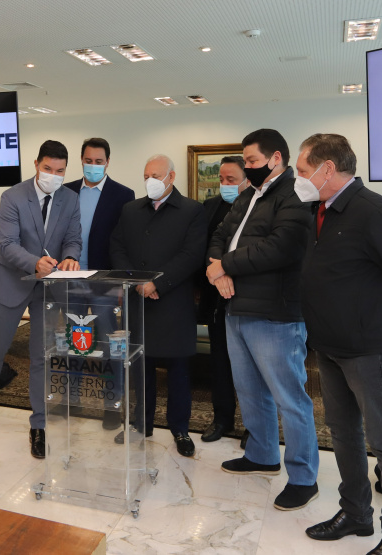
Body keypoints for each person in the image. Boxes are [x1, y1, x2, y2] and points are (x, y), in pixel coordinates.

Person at [298, 134, 382, 555]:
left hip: (370, 350)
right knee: (343, 434)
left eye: (303, 171)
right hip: (330, 345)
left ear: (328, 170)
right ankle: (355, 514)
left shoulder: (374, 212)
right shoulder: (319, 209)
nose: (298, 179)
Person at [205, 128, 319, 510]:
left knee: (290, 397)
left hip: (275, 313)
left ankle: (303, 477)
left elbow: (281, 247)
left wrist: (225, 265)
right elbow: (220, 234)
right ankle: (262, 455)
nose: (247, 167)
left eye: (252, 161)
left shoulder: (296, 193)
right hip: (236, 306)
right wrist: (216, 269)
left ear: (275, 159)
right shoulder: (248, 195)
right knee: (250, 390)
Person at [0, 140, 82, 458]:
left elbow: (73, 238)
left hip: (48, 289)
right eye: (48, 169)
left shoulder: (70, 199)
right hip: (13, 282)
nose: (53, 175)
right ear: (36, 164)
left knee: (41, 356)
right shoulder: (13, 196)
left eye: (60, 171)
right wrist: (34, 262)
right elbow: (7, 245)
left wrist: (71, 257)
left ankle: (38, 426)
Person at [110, 154, 207, 458]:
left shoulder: (192, 210)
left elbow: (192, 255)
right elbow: (117, 246)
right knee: (142, 368)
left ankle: (180, 429)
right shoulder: (130, 209)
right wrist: (137, 281)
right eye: (146, 175)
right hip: (139, 302)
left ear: (171, 177)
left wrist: (158, 283)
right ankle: (142, 423)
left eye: (157, 175)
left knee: (179, 371)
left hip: (174, 302)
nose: (151, 180)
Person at [64, 137, 135, 430]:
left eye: (99, 161)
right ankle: (73, 399)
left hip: (105, 284)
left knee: (109, 346)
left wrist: (120, 283)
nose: (93, 166)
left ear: (108, 161)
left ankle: (111, 404)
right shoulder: (66, 191)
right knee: (74, 344)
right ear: (81, 160)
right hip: (71, 282)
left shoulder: (123, 195)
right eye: (88, 160)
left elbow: (125, 242)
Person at [197, 156, 250, 443]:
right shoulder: (210, 207)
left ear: (246, 179)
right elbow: (206, 246)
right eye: (222, 179)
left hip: (250, 299)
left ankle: (253, 426)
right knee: (220, 362)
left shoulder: (258, 207)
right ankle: (222, 419)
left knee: (251, 368)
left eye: (231, 180)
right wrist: (217, 273)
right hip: (216, 298)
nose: (225, 185)